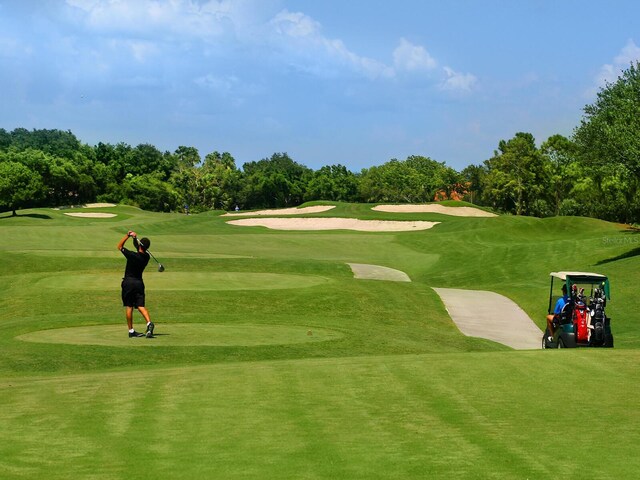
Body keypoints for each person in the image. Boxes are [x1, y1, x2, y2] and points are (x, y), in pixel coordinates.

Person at [117, 231, 155, 338]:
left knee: (129, 306)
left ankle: (131, 331)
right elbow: (139, 248)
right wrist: (135, 238)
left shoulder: (132, 255)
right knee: (140, 306)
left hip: (128, 283)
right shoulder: (146, 257)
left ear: (139, 245)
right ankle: (149, 323)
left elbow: (119, 246)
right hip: (139, 283)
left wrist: (128, 236)